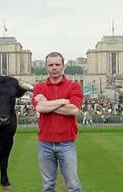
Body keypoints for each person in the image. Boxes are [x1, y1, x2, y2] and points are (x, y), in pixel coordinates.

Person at [32, 52, 83, 192]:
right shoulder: (39, 87)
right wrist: (61, 102)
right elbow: (40, 107)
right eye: (51, 65)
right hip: (45, 143)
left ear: (63, 66)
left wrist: (47, 105)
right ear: (46, 67)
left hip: (66, 142)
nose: (54, 68)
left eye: (57, 64)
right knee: (48, 186)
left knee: (73, 185)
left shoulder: (74, 86)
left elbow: (73, 110)